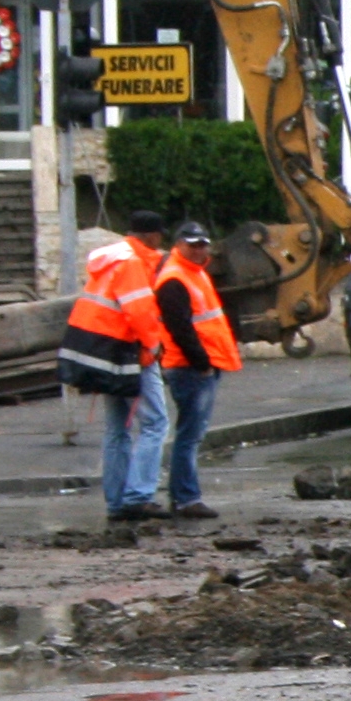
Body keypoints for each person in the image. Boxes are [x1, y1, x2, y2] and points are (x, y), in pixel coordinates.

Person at [54, 212, 171, 522]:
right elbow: (140, 312)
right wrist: (156, 347)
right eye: (160, 236)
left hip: (102, 354)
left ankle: (117, 502)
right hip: (130, 356)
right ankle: (138, 496)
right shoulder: (133, 263)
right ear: (152, 237)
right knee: (155, 424)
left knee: (117, 429)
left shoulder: (110, 261)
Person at [150, 220, 241, 520]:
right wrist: (201, 362)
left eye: (203, 244)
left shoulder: (192, 273)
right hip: (190, 368)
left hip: (199, 364)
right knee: (189, 436)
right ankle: (186, 498)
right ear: (178, 245)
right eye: (193, 244)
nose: (200, 249)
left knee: (190, 435)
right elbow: (179, 328)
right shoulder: (176, 279)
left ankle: (184, 496)